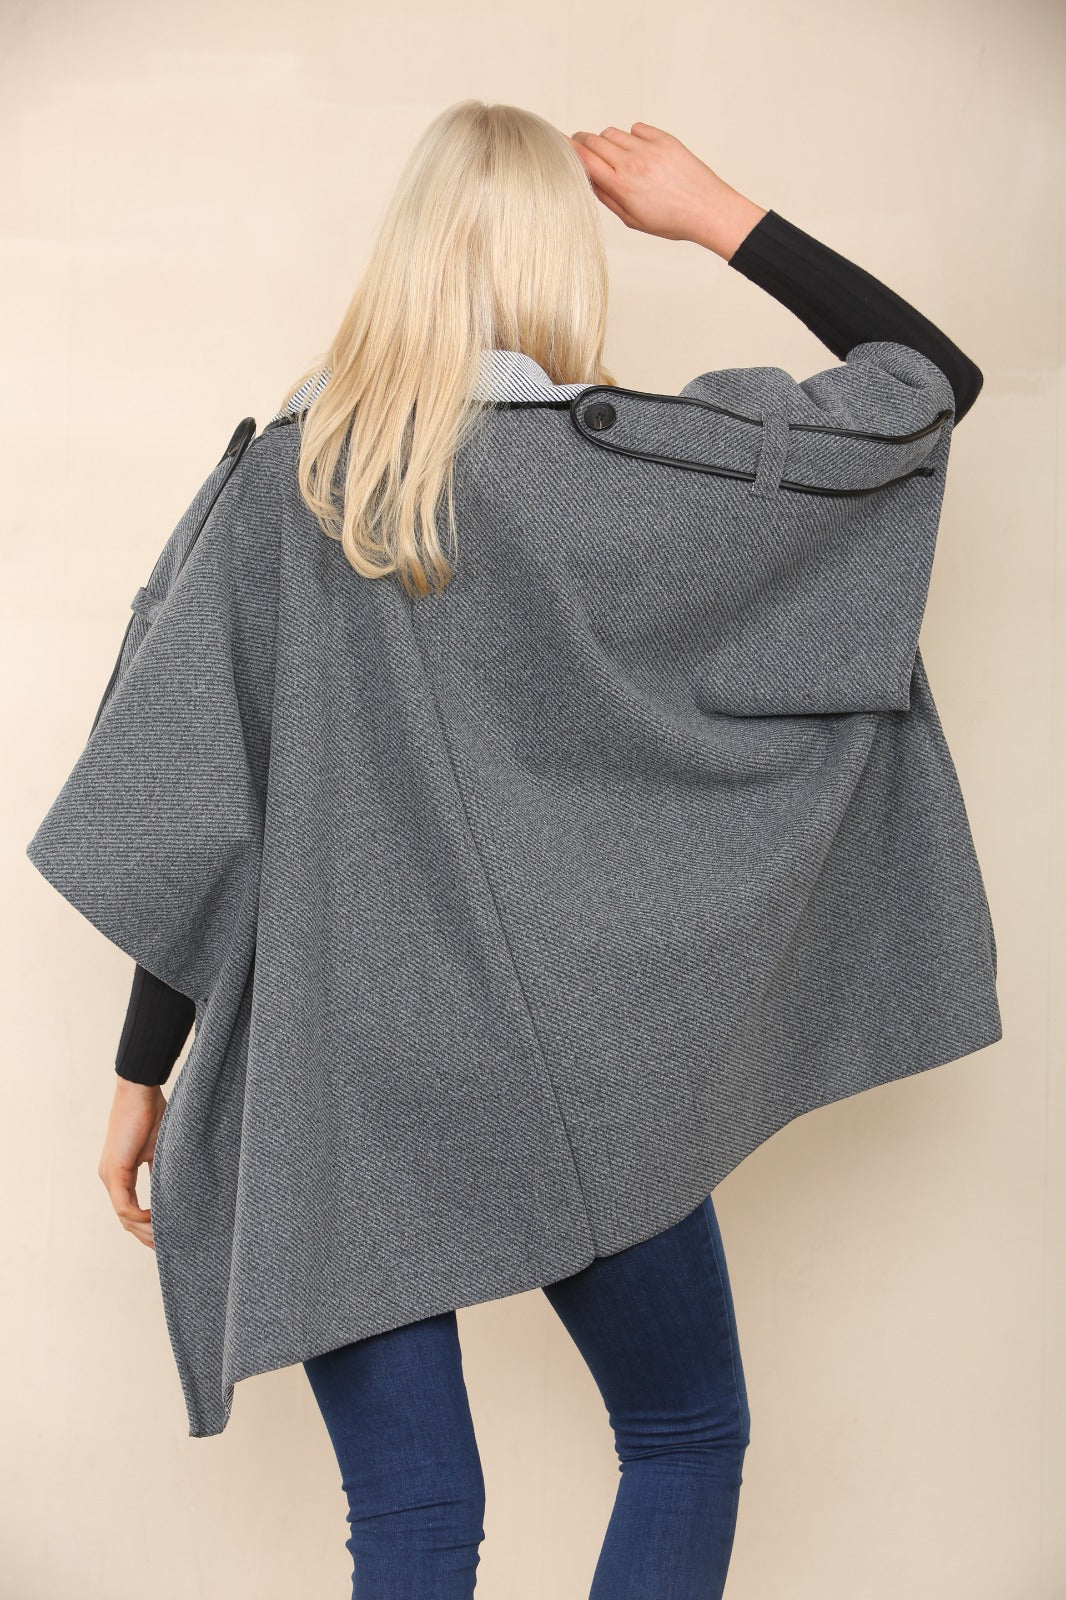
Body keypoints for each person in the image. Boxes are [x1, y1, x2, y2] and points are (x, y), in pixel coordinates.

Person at [47, 108, 993, 1599]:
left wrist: (139, 1074)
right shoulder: (639, 474)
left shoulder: (281, 487)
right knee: (682, 1437)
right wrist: (715, 211)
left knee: (414, 1519)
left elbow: (197, 810)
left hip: (339, 1079)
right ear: (557, 258)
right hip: (581, 1070)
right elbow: (927, 383)